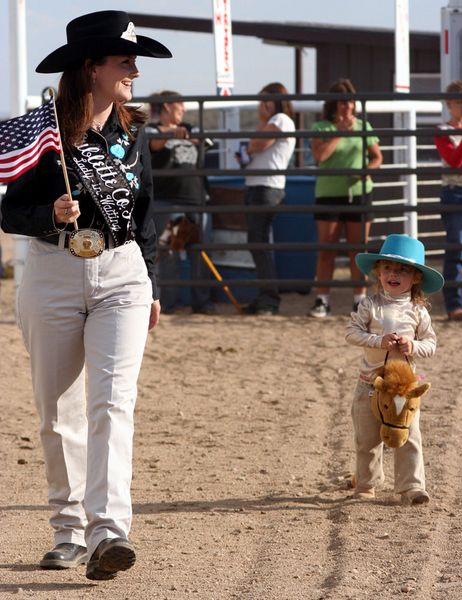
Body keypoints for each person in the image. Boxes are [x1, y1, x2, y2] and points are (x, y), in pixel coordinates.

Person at [0, 11, 171, 580]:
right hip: (53, 269)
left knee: (113, 402)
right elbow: (9, 212)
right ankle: (68, 529)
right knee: (58, 411)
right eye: (125, 61)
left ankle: (107, 530)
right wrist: (49, 213)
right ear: (91, 68)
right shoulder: (42, 133)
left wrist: (151, 285)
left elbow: (144, 216)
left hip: (122, 273)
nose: (135, 71)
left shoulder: (134, 131)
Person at [346, 234, 444, 504]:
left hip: (404, 387)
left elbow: (431, 344)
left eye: (402, 270)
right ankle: (367, 484)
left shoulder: (418, 311)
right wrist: (378, 340)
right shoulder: (370, 305)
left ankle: (412, 486)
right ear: (378, 273)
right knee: (366, 436)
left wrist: (413, 346)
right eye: (388, 268)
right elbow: (351, 333)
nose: (393, 274)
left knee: (409, 435)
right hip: (370, 382)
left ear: (415, 278)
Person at [309, 78, 383, 318]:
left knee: (357, 251)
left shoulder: (364, 126)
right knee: (326, 250)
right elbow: (320, 156)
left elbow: (377, 157)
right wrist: (340, 133)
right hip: (329, 194)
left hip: (359, 194)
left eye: (350, 101)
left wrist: (366, 172)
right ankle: (322, 300)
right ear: (333, 105)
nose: (347, 107)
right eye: (342, 102)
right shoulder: (321, 127)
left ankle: (359, 301)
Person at [147, 91, 215, 315]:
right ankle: (169, 303)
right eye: (180, 104)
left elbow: (207, 143)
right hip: (170, 200)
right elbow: (155, 144)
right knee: (169, 253)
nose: (184, 109)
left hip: (196, 199)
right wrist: (174, 133)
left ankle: (201, 302)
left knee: (201, 251)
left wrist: (187, 135)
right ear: (167, 106)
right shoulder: (152, 130)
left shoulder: (190, 128)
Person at [242, 82, 296, 316]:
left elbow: (258, 143)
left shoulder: (281, 119)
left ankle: (269, 298)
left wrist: (253, 143)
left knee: (259, 243)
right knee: (257, 243)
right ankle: (265, 295)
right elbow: (255, 144)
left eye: (267, 100)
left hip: (267, 188)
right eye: (261, 100)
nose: (262, 105)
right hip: (259, 187)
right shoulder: (272, 122)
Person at [433, 80, 462, 321]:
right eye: (459, 102)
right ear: (449, 104)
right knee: (456, 244)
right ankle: (454, 303)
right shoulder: (442, 129)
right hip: (454, 191)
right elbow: (453, 160)